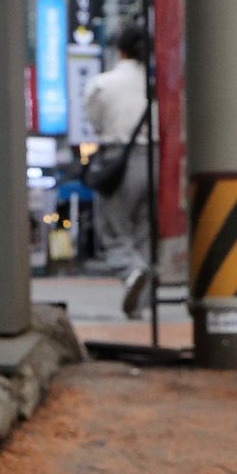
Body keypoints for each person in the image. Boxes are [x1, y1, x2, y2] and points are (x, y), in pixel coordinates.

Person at [84, 22, 154, 317]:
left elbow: (95, 122)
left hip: (120, 160)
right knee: (144, 233)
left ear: (119, 49)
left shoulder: (103, 84)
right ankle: (138, 304)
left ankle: (132, 272)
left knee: (113, 231)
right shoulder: (156, 83)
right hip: (155, 159)